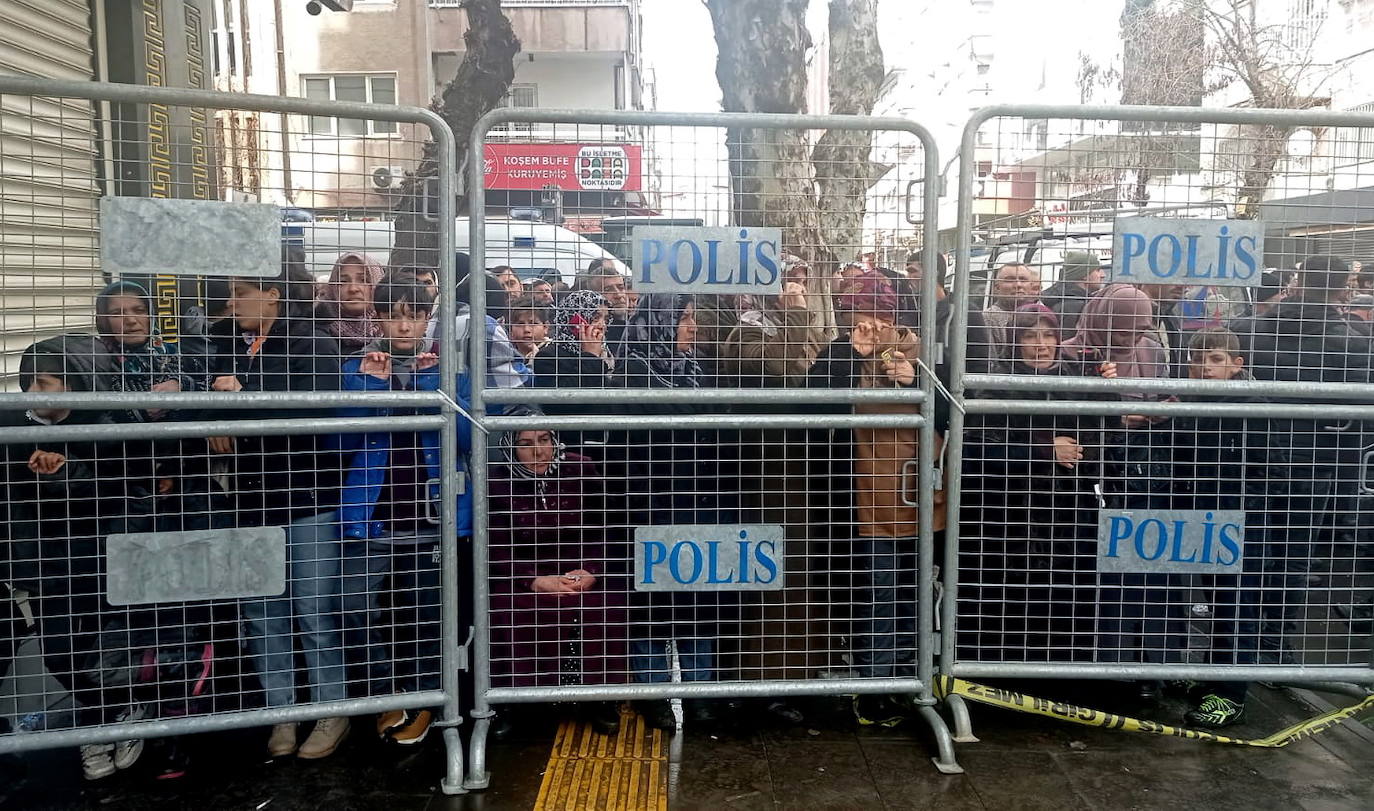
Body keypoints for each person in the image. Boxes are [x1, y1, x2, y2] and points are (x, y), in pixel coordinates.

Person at [207, 254, 349, 759]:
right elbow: (208, 394)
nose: (231, 303)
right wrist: (219, 412)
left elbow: (317, 406)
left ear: (272, 294)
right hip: (251, 498)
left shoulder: (310, 339)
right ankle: (281, 714)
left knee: (313, 609)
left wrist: (243, 398)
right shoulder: (228, 343)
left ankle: (331, 708)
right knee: (263, 612)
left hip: (309, 497)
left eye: (240, 292)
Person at [3, 336, 150, 780]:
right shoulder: (12, 427)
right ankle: (113, 715)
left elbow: (124, 494)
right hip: (47, 563)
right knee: (58, 651)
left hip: (104, 557)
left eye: (45, 382)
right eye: (29, 381)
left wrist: (67, 473)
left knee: (106, 648)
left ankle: (113, 720)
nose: (33, 392)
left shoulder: (107, 423)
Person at [337, 274, 459, 747]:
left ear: (428, 319)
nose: (405, 326)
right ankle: (388, 694)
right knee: (354, 607)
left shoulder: (447, 367)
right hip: (373, 515)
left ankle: (428, 701)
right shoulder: (358, 367)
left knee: (427, 616)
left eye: (415, 314)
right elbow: (340, 442)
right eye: (394, 314)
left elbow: (468, 437)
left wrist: (432, 385)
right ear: (379, 317)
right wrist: (372, 388)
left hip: (431, 518)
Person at [806, 271, 928, 726]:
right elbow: (813, 404)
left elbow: (957, 411)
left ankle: (912, 681)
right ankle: (875, 686)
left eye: (880, 316)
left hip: (917, 496)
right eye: (861, 316)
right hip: (860, 497)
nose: (871, 327)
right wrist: (846, 355)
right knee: (874, 594)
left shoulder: (928, 355)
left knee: (914, 595)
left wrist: (917, 379)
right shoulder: (842, 353)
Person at [1247, 256, 1374, 664]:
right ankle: (1274, 641)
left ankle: (1240, 635)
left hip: (1253, 452)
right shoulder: (1355, 339)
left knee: (1248, 549)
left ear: (1299, 281)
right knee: (1294, 554)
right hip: (1317, 459)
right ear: (1341, 288)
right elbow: (1359, 408)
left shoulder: (1249, 328)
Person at [959, 304, 1102, 662]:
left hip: (1067, 512)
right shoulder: (997, 383)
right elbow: (978, 449)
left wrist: (1108, 392)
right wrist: (1042, 450)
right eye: (1029, 335)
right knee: (1005, 597)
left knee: (1064, 592)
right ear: (1015, 341)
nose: (1040, 345)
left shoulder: (1078, 380)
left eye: (1048, 335)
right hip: (1007, 516)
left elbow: (1103, 440)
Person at [617, 293, 733, 729]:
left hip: (701, 499)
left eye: (693, 317)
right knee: (652, 597)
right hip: (649, 499)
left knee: (698, 594)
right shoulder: (635, 370)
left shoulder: (702, 369)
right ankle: (654, 693)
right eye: (683, 318)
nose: (692, 326)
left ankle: (699, 690)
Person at [487, 413, 624, 736]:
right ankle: (513, 700)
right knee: (509, 609)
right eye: (525, 444)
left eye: (545, 440)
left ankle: (601, 698)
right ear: (510, 448)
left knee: (604, 606)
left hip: (579, 566)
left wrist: (591, 570)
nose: (538, 451)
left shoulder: (580, 468)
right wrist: (532, 579)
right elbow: (494, 543)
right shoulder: (496, 480)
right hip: (526, 571)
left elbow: (606, 526)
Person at [1165, 328, 1273, 727]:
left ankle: (1231, 695)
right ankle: (1215, 678)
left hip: (1239, 521)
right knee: (1215, 600)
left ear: (1236, 365)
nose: (1204, 369)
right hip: (1206, 518)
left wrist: (1247, 511)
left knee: (1235, 605)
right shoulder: (1191, 400)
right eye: (1197, 361)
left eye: (1214, 360)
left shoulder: (1252, 404)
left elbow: (1267, 467)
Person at [531, 290, 614, 456]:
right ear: (575, 320)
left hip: (606, 449)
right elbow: (568, 399)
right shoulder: (548, 356)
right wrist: (590, 356)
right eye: (595, 317)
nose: (602, 325)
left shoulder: (606, 353)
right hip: (572, 450)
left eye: (605, 319)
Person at [317, 252, 384, 352]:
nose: (353, 289)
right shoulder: (318, 335)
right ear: (333, 287)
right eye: (343, 281)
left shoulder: (396, 333)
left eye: (363, 280)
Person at [983, 263, 1042, 357]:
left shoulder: (1041, 314)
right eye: (1010, 280)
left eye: (1023, 280)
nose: (1018, 285)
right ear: (996, 288)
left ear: (1031, 286)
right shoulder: (989, 318)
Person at [1041, 250, 1106, 333]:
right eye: (1097, 270)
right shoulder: (1074, 307)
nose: (1103, 275)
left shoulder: (1064, 300)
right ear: (1084, 274)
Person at [575, 259, 633, 350]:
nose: (618, 295)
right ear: (594, 295)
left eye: (621, 287)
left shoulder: (638, 327)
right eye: (608, 290)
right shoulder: (590, 335)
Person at [504, 295, 551, 364]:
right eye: (520, 324)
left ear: (545, 327)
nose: (526, 329)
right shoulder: (504, 356)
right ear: (510, 331)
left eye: (533, 323)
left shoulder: (554, 354)